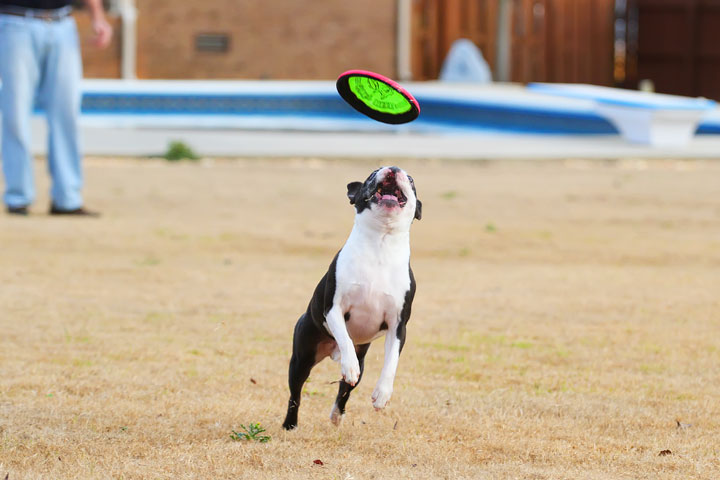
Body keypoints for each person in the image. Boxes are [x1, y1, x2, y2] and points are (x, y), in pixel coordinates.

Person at [0, 0, 112, 216]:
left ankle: (67, 198)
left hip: (62, 23)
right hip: (15, 22)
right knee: (15, 113)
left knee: (66, 113)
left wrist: (97, 17)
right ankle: (18, 197)